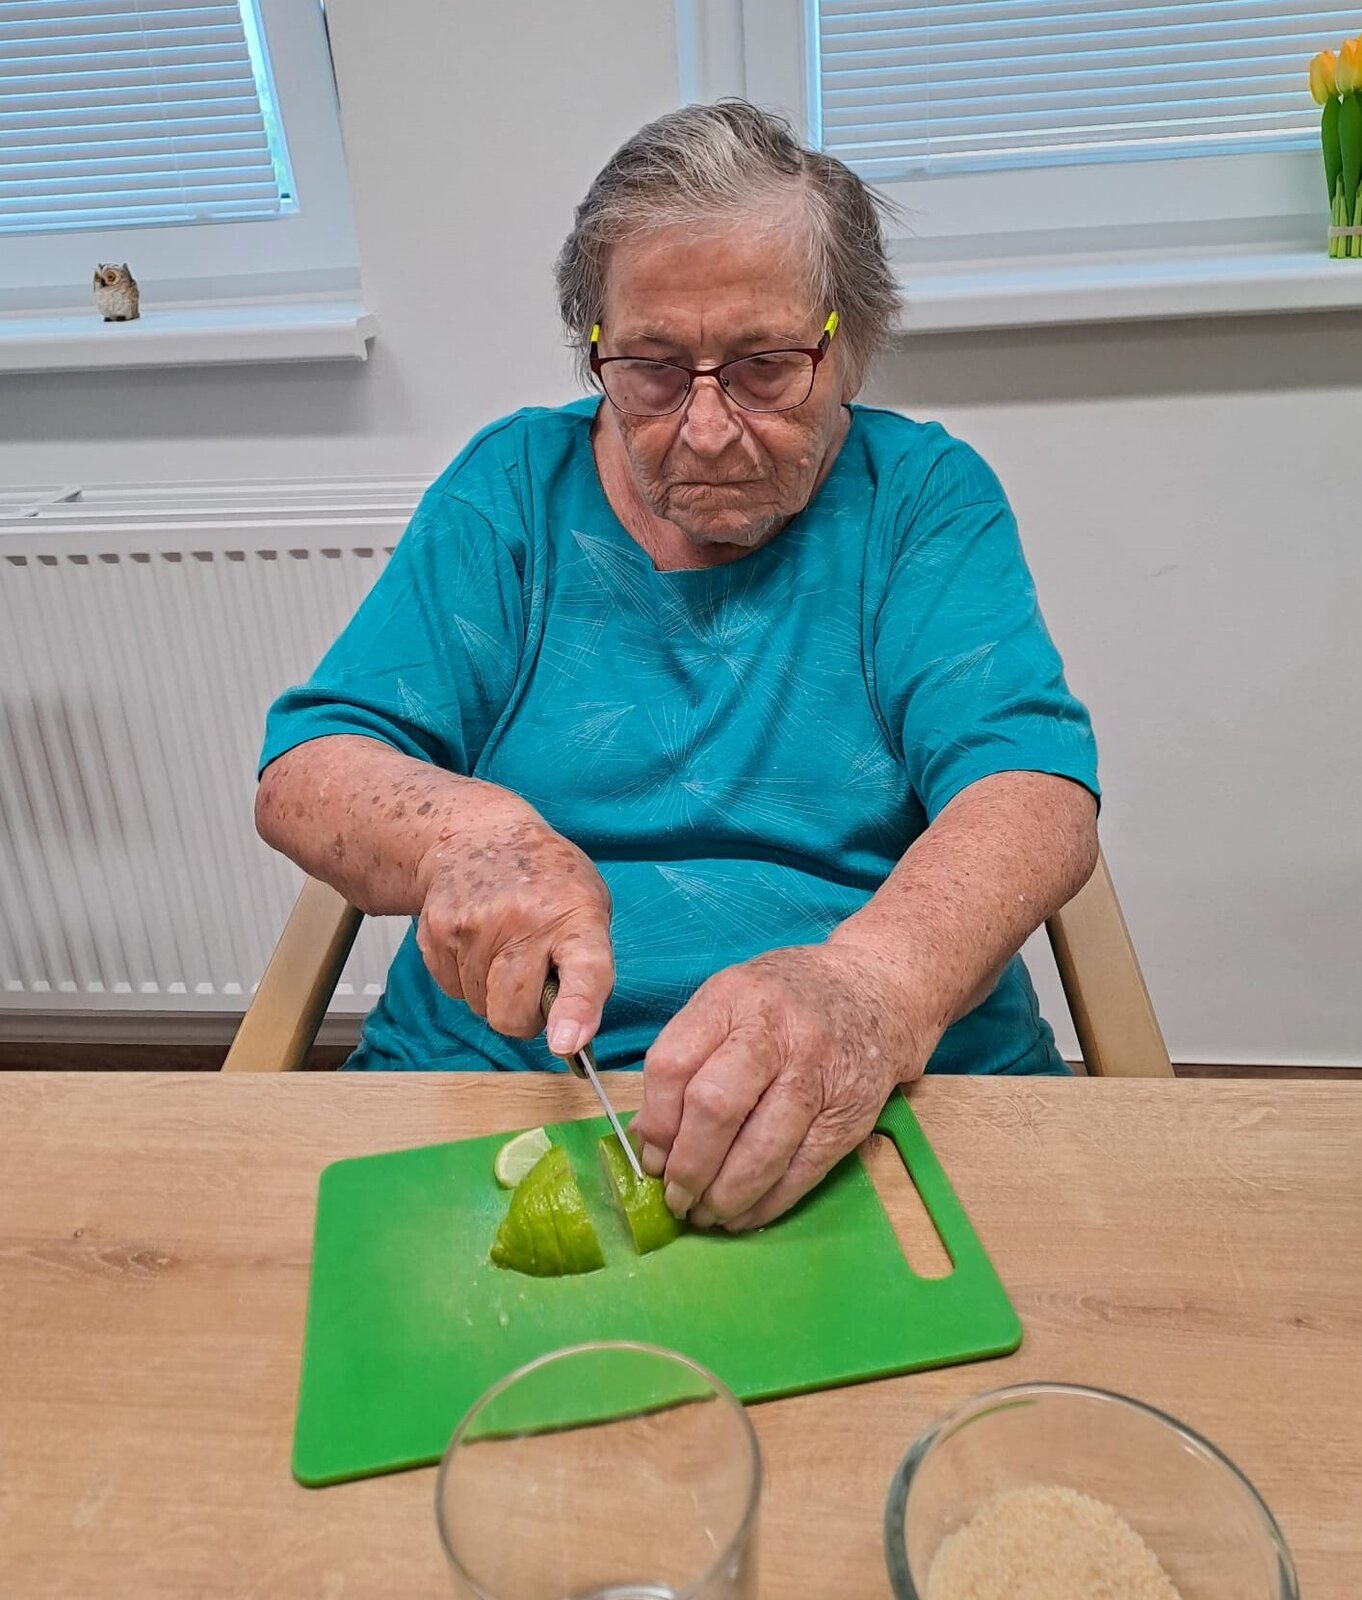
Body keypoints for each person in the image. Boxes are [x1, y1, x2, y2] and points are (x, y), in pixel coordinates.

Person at [256, 101, 1099, 1231]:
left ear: (850, 344)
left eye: (765, 367)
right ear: (596, 348)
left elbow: (1032, 792)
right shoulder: (511, 493)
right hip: (512, 1089)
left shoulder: (921, 503)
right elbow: (308, 768)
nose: (705, 427)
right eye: (652, 369)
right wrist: (466, 834)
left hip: (882, 1087)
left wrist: (867, 988)